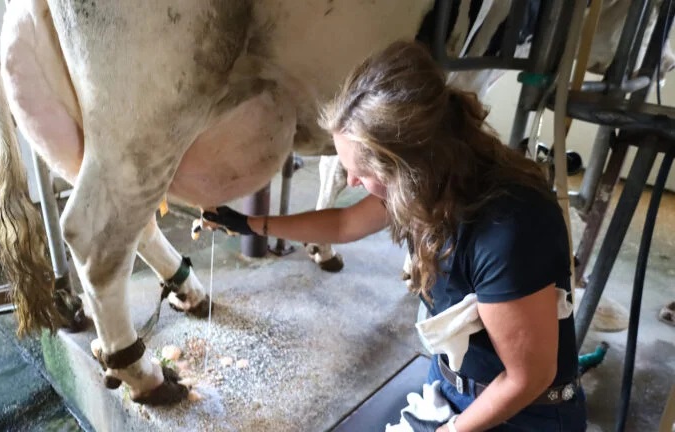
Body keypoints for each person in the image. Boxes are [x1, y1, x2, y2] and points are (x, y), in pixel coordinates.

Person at [202, 40, 587, 431]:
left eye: (362, 172)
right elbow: (342, 224)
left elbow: (528, 378)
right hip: (451, 386)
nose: (351, 180)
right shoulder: (434, 180)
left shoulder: (511, 227)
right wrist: (247, 224)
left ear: (408, 167)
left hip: (524, 415)